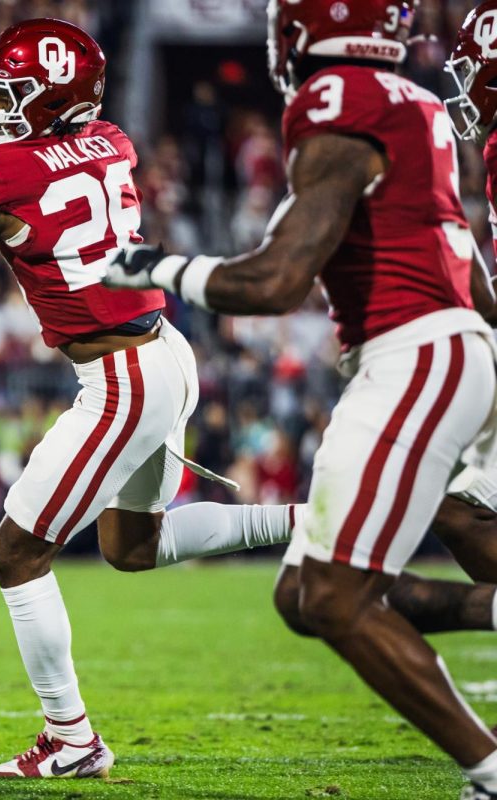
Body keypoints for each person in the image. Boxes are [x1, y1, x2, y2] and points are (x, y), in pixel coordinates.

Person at [0, 19, 298, 778]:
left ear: (48, 102)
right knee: (131, 547)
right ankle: (317, 522)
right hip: (163, 352)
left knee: (16, 554)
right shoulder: (108, 138)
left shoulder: (7, 169)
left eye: (9, 95)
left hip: (120, 380)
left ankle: (72, 738)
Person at [102, 2, 497, 796]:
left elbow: (277, 281)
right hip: (439, 351)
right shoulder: (411, 106)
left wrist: (157, 268)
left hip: (413, 356)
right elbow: (477, 286)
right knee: (302, 594)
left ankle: (490, 770)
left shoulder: (340, 100)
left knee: (335, 599)